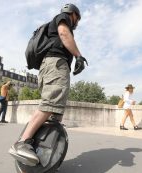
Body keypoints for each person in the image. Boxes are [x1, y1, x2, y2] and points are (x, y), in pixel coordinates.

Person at [9, 3, 87, 166]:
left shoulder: (52, 25)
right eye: (77, 19)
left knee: (54, 115)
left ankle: (45, 156)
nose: (77, 23)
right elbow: (64, 33)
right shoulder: (63, 18)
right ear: (72, 14)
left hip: (49, 66)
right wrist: (78, 56)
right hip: (56, 64)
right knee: (50, 105)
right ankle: (22, 143)